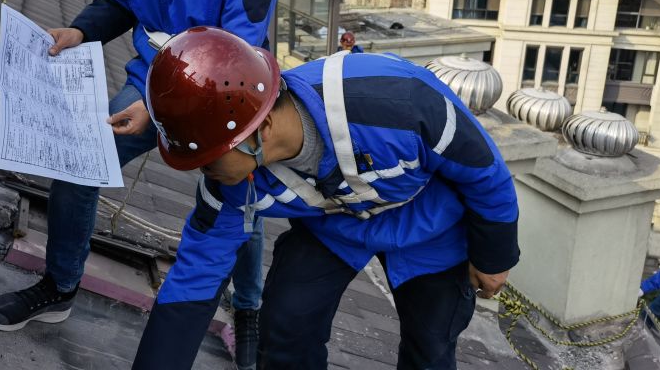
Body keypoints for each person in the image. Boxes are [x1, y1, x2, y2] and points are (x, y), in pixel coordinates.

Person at [0, 0, 281, 370]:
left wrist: (157, 108)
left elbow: (239, 52)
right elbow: (118, 2)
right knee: (78, 158)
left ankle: (249, 310)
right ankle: (59, 286)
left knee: (236, 195)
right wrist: (80, 30)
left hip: (231, 91)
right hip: (152, 79)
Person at [132, 27, 520, 370]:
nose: (203, 170)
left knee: (432, 344)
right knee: (285, 322)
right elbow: (192, 280)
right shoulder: (229, 181)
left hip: (428, 225)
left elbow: (486, 175)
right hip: (335, 226)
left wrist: (494, 257)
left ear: (260, 129)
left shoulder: (398, 102)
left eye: (208, 158)